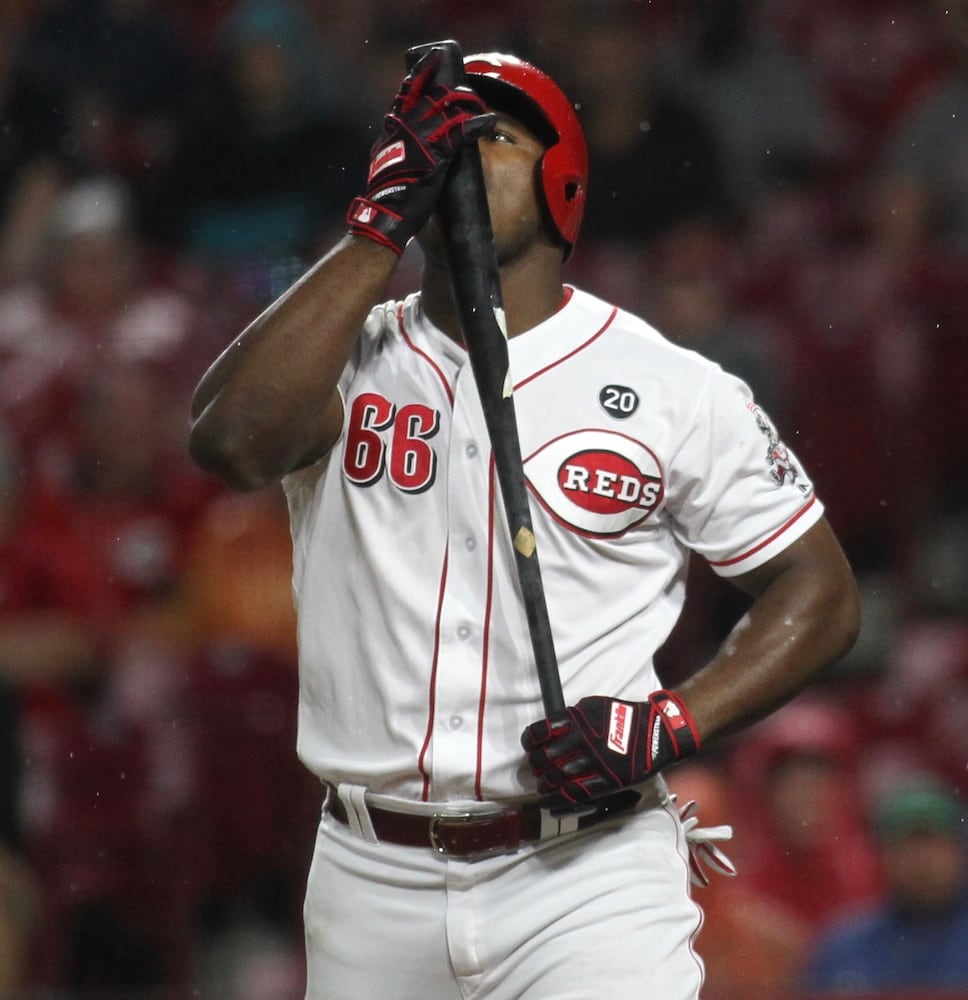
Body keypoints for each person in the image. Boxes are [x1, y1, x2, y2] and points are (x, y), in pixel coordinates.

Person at [188, 43, 860, 999]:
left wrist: (672, 721)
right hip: (370, 875)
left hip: (586, 871)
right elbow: (231, 444)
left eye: (490, 135)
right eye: (435, 136)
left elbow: (822, 593)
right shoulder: (341, 356)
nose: (453, 151)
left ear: (562, 181)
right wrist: (375, 228)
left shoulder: (671, 385)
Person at [805, 775, 968, 992]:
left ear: (959, 851)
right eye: (908, 848)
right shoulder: (845, 947)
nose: (922, 860)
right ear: (883, 857)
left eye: (935, 845)